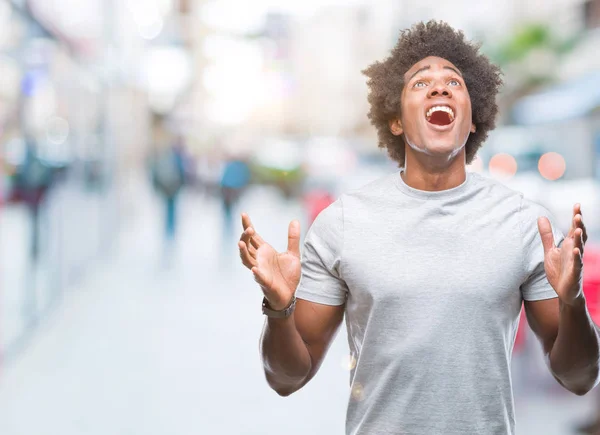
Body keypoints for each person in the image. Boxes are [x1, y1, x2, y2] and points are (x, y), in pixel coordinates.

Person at [237, 20, 599, 435]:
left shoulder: (523, 223)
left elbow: (579, 377)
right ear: (395, 120)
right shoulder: (342, 222)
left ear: (473, 118)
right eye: (420, 83)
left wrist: (572, 303)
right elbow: (286, 378)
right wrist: (280, 309)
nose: (439, 87)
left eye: (453, 83)